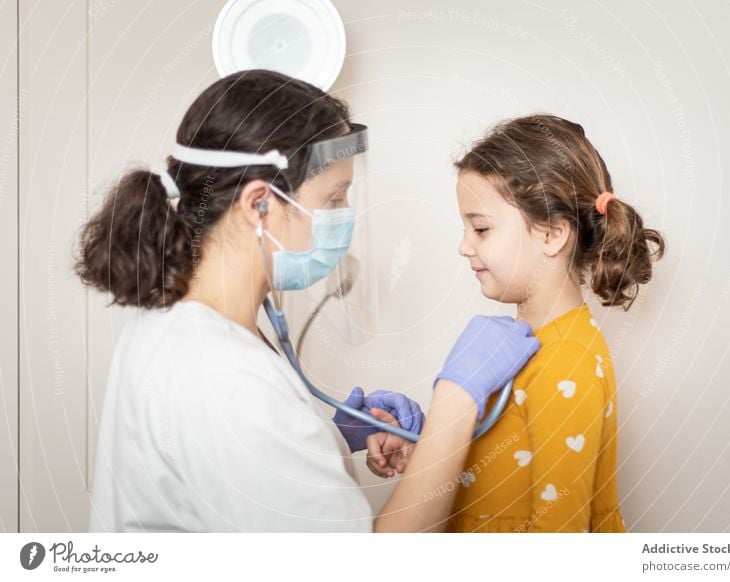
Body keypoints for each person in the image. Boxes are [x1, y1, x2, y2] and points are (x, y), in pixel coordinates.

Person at [76, 69, 540, 532]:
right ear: (259, 204)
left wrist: (329, 439)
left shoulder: (184, 324)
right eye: (334, 198)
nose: (344, 217)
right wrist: (454, 405)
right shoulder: (223, 376)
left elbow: (237, 474)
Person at [368, 115, 665, 533]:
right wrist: (426, 444)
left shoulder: (568, 361)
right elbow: (497, 476)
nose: (463, 246)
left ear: (551, 234)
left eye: (481, 228)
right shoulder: (517, 348)